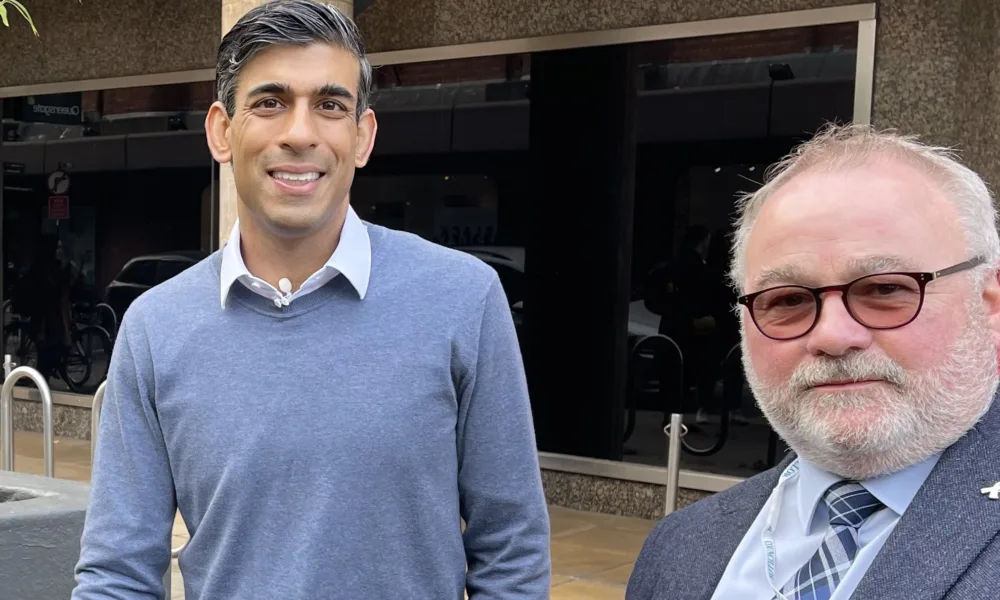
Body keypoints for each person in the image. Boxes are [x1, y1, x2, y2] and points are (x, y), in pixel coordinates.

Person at [71, 2, 550, 599]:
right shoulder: (155, 328)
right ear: (222, 131)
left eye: (329, 105)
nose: (300, 133)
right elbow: (118, 573)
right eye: (270, 102)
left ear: (363, 135)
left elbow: (513, 551)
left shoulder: (463, 299)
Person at [626, 124, 1000, 600]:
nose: (833, 336)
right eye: (787, 300)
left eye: (886, 289)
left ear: (988, 305)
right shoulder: (677, 547)